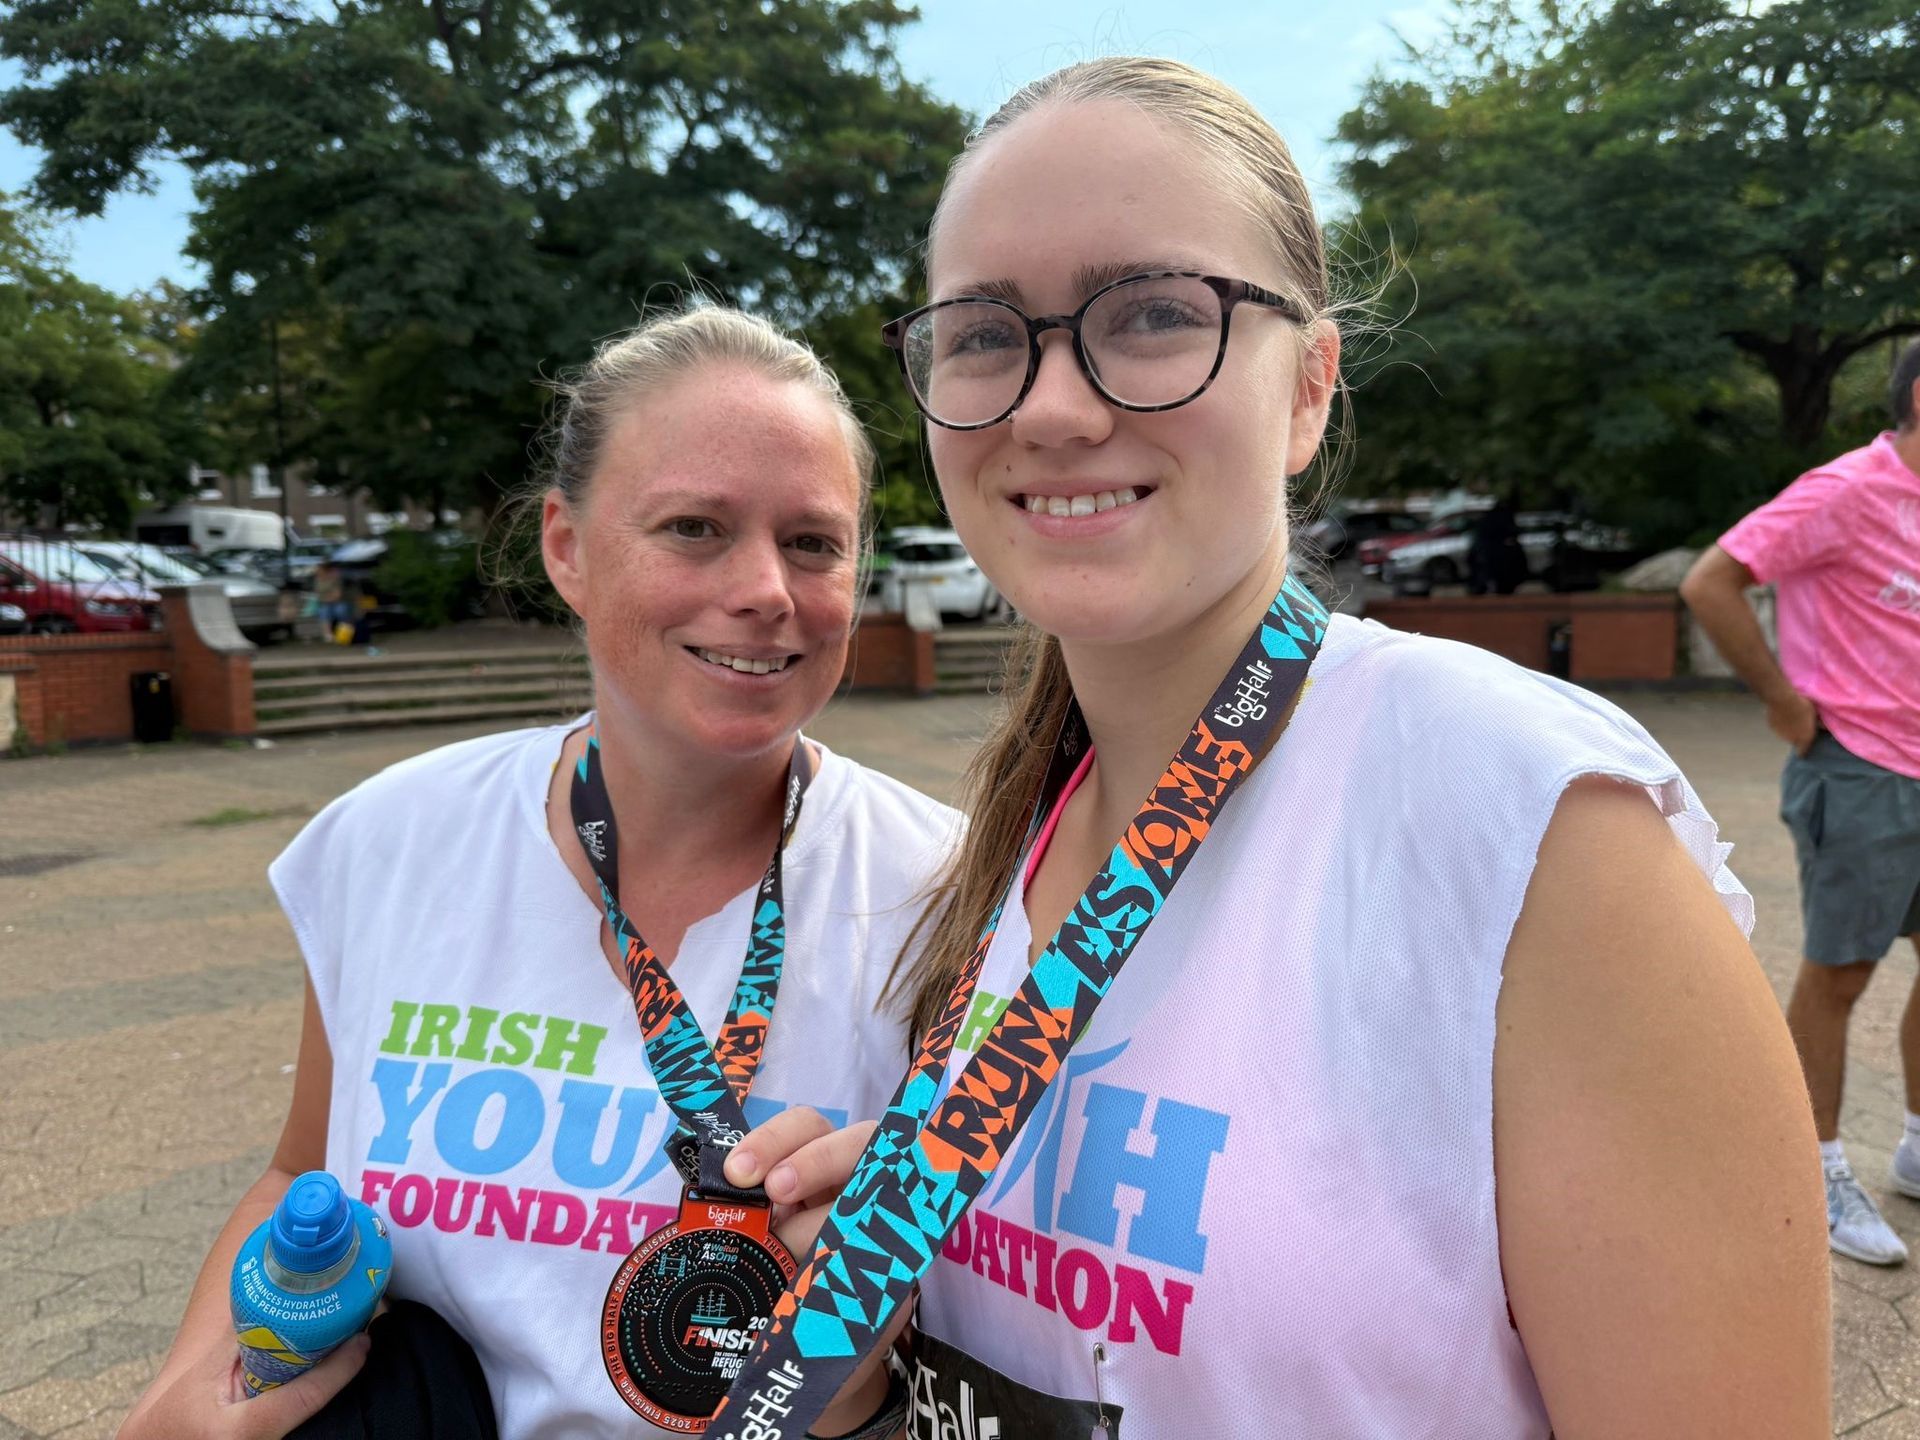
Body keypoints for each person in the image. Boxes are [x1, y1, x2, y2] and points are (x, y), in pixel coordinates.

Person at [730, 57, 1828, 1437]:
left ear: (1309, 388)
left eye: (1150, 316)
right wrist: (865, 1363)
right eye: (985, 334)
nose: (1053, 406)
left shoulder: (1532, 827)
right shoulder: (1005, 851)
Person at [119, 307, 954, 1440]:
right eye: (696, 527)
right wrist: (178, 1399)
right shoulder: (390, 841)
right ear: (565, 545)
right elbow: (294, 1180)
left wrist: (850, 1392)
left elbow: (969, 1350)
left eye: (813, 542)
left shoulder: (951, 895)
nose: (767, 587)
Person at [1682, 338, 1920, 1268]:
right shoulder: (1846, 491)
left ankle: (1912, 1144)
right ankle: (1813, 1170)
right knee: (1841, 973)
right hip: (1858, 768)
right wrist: (1786, 703)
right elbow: (1713, 581)